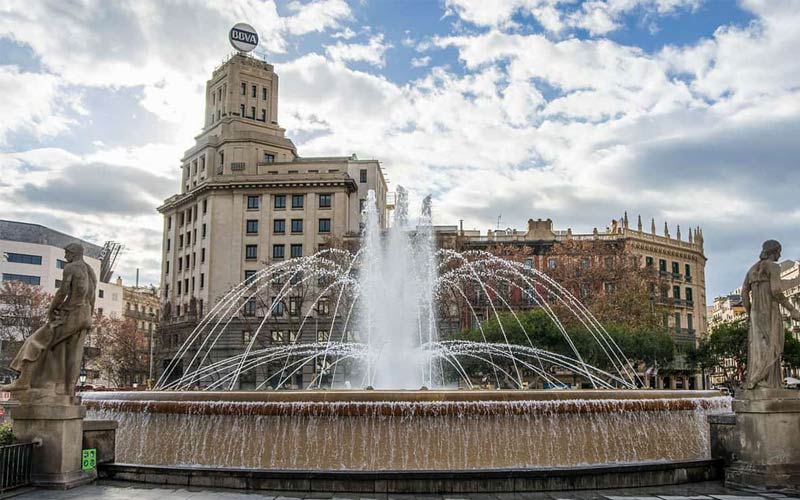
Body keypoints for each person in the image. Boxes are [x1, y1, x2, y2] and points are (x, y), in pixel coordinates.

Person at [3, 243, 97, 396]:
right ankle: (67, 390)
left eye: (67, 253)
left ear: (73, 253)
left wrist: (51, 309)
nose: (65, 256)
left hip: (71, 313)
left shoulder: (71, 267)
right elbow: (92, 297)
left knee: (35, 341)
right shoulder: (90, 270)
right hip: (85, 315)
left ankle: (24, 381)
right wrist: (89, 318)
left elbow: (63, 291)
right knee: (72, 352)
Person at [742, 240, 800, 390]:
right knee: (773, 343)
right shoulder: (773, 266)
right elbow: (776, 291)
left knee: (759, 345)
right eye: (779, 252)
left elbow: (744, 294)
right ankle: (766, 381)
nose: (780, 255)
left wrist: (750, 313)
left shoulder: (752, 269)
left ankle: (759, 380)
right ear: (774, 251)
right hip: (769, 309)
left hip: (755, 312)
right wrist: (792, 310)